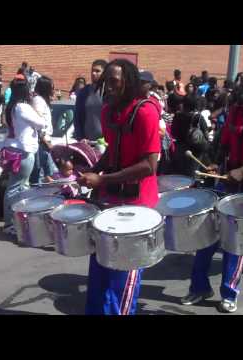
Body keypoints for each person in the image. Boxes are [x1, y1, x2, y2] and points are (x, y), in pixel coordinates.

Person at [181, 72, 243, 313]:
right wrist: (214, 162)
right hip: (225, 183)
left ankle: (229, 292)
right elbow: (222, 143)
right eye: (239, 87)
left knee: (235, 244)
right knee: (206, 238)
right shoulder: (233, 112)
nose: (239, 92)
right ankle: (200, 287)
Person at [77, 59, 161, 315]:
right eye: (106, 83)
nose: (108, 88)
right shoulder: (107, 112)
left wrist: (102, 180)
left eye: (114, 82)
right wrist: (94, 169)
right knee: (101, 269)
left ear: (129, 83)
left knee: (123, 279)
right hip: (111, 200)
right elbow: (114, 150)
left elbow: (149, 165)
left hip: (138, 207)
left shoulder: (146, 111)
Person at [1, 75, 46, 235]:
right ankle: (10, 223)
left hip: (14, 149)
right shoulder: (23, 107)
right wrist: (37, 109)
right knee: (17, 187)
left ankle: (13, 221)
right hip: (24, 150)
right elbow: (42, 123)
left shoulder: (12, 106)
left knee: (16, 186)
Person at [171, 94, 210, 177]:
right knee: (192, 176)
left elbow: (173, 132)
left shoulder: (177, 115)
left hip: (180, 149)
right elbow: (206, 135)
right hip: (195, 152)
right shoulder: (198, 117)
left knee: (179, 176)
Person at [30, 75, 55, 184]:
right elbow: (37, 123)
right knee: (39, 174)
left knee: (48, 173)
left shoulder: (42, 101)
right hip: (41, 142)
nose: (53, 90)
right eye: (52, 87)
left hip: (45, 141)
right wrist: (45, 141)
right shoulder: (38, 101)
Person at [74, 59, 107, 142]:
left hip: (106, 142)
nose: (93, 73)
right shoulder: (84, 92)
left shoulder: (110, 92)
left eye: (97, 71)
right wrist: (80, 138)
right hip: (87, 142)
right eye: (92, 70)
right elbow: (77, 118)